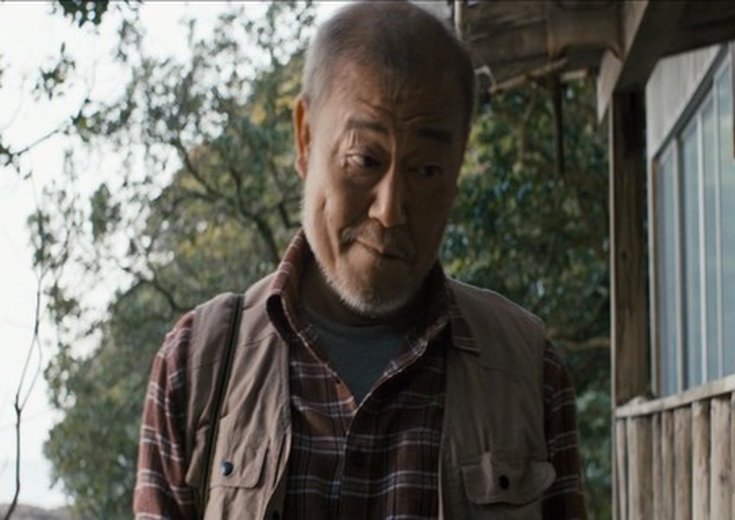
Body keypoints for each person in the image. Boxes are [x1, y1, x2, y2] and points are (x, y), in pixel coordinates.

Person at [133, 2, 585, 519]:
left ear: (458, 168)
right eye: (364, 160)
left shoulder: (528, 372)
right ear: (305, 138)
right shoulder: (198, 365)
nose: (390, 211)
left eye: (427, 169)